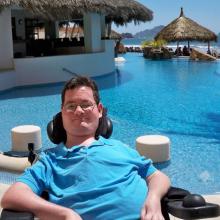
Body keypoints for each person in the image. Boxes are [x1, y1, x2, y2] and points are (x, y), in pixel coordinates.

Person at [1, 76, 171, 220]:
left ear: (99, 110)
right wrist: (64, 214)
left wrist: (154, 198)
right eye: (71, 106)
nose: (78, 111)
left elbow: (157, 176)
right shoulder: (50, 160)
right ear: (62, 113)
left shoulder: (119, 148)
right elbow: (13, 195)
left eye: (85, 104)